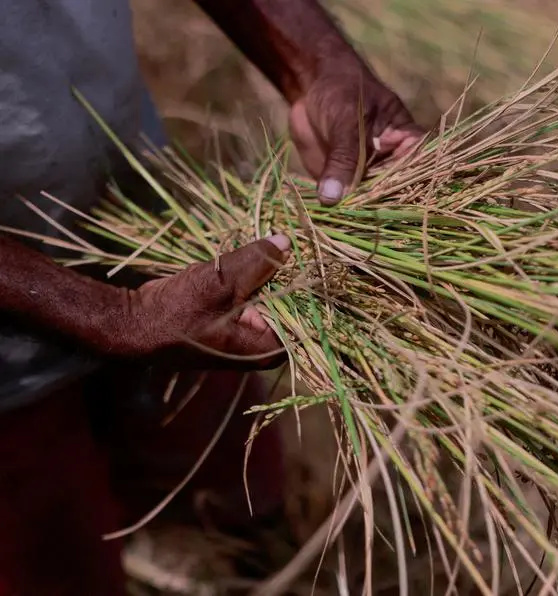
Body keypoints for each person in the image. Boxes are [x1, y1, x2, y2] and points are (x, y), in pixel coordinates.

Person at [0, 1, 423, 594]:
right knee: (56, 556)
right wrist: (113, 318)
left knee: (225, 490)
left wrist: (314, 60)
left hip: (154, 232)